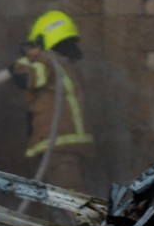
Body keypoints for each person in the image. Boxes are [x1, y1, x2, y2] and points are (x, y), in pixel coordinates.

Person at [9, 10, 94, 193]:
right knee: (68, 198)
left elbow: (29, 78)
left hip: (58, 147)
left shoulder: (46, 63)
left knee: (69, 200)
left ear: (42, 41)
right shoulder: (67, 68)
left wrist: (22, 64)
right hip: (73, 146)